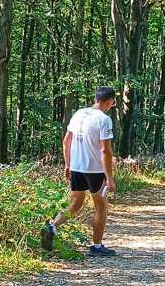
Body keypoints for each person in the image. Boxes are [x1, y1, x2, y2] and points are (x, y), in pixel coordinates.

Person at [40, 87, 117, 256]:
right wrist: (110, 178)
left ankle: (52, 227)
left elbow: (67, 140)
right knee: (101, 207)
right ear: (109, 101)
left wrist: (68, 164)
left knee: (75, 204)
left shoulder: (79, 114)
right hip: (95, 169)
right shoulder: (104, 120)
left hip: (76, 167)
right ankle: (96, 247)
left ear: (95, 98)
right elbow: (106, 151)